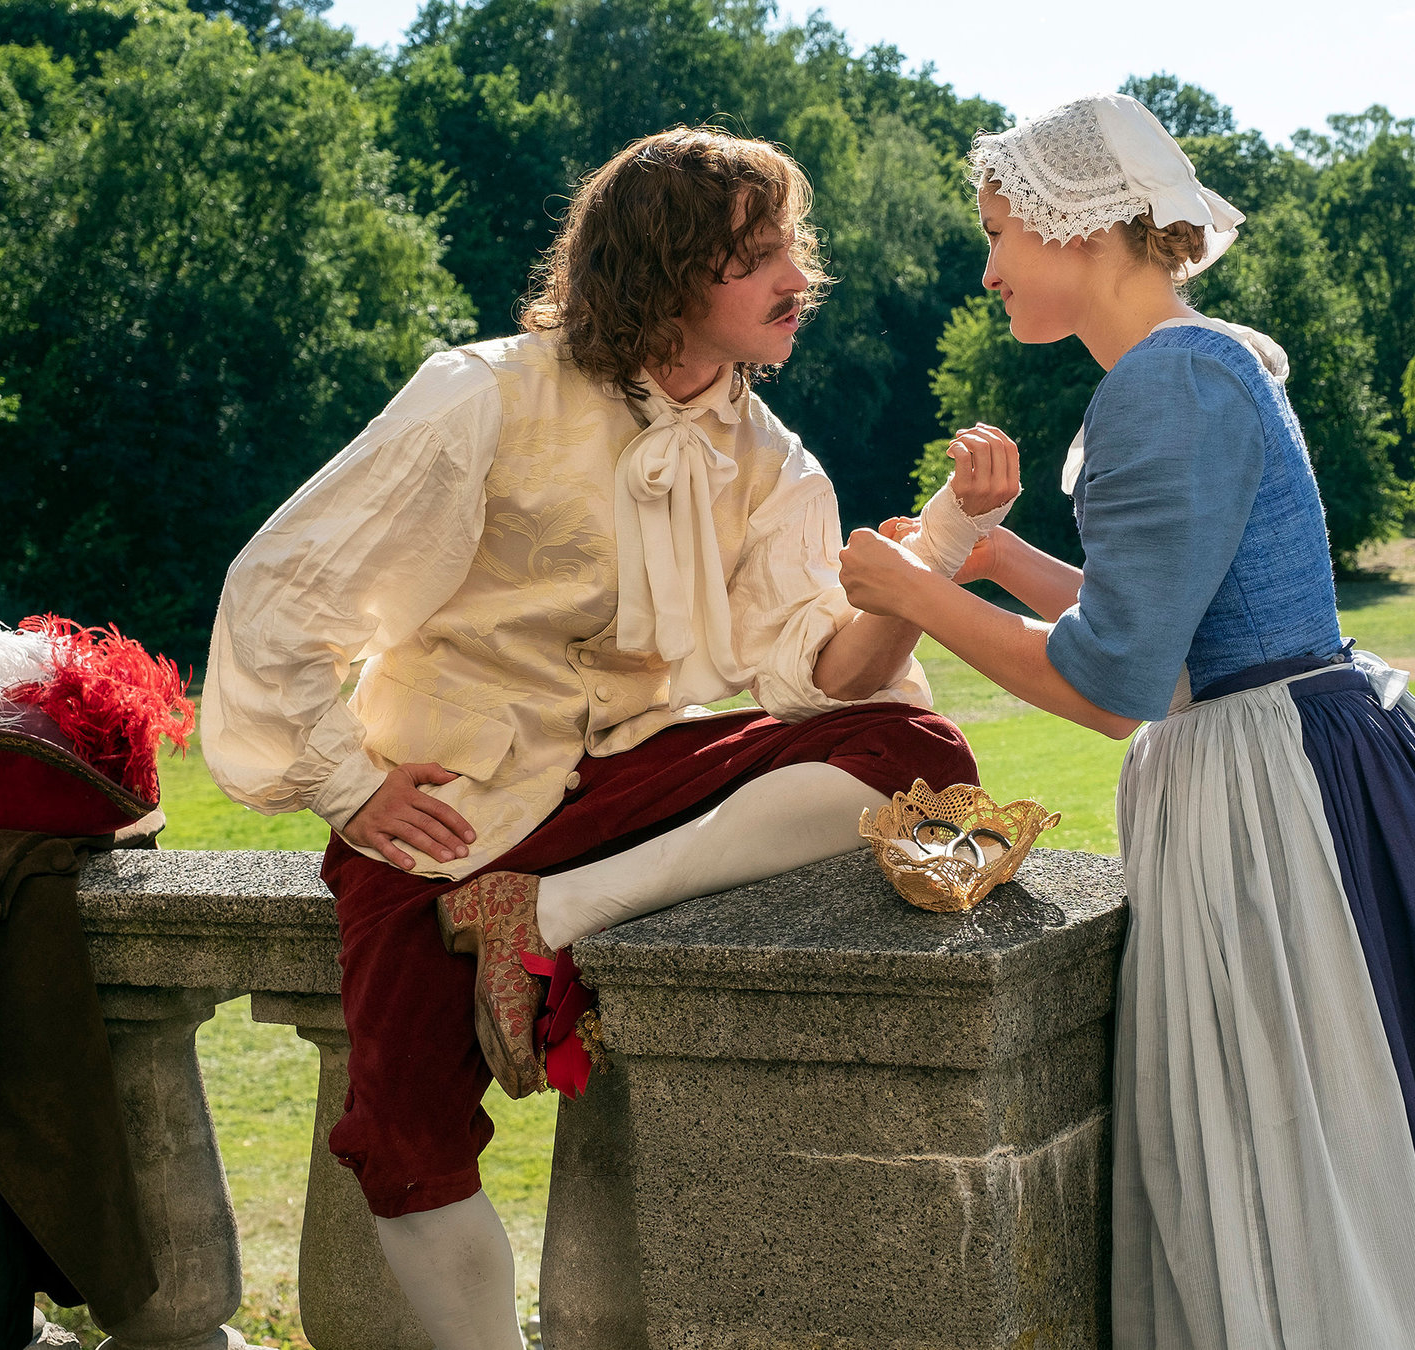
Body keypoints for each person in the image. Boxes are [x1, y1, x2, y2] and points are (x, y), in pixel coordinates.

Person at [835, 94, 1415, 1350]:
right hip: (1312, 752)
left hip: (1272, 790)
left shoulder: (1163, 386)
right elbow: (1177, 620)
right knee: (1381, 1120)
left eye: (1002, 232)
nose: (988, 268)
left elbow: (1112, 684)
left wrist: (913, 590)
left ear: (1082, 230)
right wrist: (999, 561)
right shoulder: (1197, 363)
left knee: (1305, 1138)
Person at [202, 127, 1011, 1350]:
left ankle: (550, 918)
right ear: (666, 271)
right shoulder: (482, 393)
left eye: (795, 245)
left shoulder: (770, 459)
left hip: (620, 790)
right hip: (448, 804)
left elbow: (825, 678)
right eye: (758, 255)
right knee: (407, 1141)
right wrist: (350, 784)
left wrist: (941, 548)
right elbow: (283, 588)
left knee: (923, 755)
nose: (800, 276)